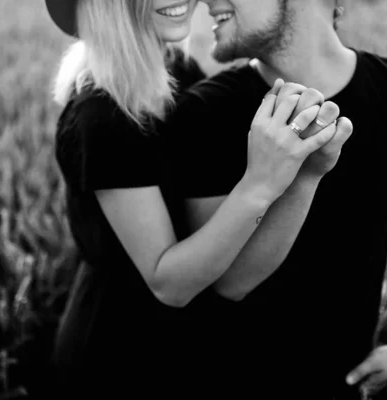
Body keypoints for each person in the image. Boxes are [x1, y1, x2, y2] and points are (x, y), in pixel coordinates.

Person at [45, 0, 344, 395]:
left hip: (184, 343)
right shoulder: (102, 118)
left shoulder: (178, 71)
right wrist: (260, 184)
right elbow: (169, 283)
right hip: (119, 354)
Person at [159, 0, 387, 399]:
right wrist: (303, 177)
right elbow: (231, 282)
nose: (205, 0)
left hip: (345, 382)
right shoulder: (205, 112)